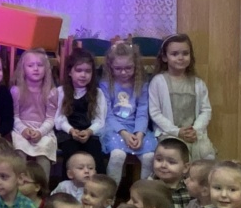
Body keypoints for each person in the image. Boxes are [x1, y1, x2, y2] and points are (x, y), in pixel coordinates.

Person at [148, 33, 216, 160]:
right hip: (169, 133)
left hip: (193, 133)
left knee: (207, 153)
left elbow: (205, 110)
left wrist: (195, 130)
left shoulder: (198, 83)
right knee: (177, 154)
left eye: (185, 53)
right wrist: (177, 132)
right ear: (165, 57)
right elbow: (155, 113)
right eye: (174, 54)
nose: (180, 58)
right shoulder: (158, 82)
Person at [101, 41, 156, 183]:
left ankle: (144, 192)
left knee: (149, 157)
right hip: (114, 129)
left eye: (128, 68)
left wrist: (139, 134)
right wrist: (124, 133)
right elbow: (107, 115)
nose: (123, 72)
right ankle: (110, 193)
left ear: (135, 66)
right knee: (117, 155)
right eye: (118, 68)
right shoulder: (105, 85)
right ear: (110, 67)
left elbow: (142, 113)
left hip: (136, 128)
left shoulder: (141, 85)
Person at [54, 47, 108, 179]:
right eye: (79, 70)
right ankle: (69, 185)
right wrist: (71, 130)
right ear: (70, 72)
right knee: (71, 152)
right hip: (68, 134)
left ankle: (97, 185)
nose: (83, 75)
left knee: (94, 151)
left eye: (88, 71)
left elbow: (100, 120)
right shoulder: (61, 91)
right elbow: (59, 118)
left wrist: (89, 131)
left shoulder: (98, 93)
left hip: (90, 133)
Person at [10, 48, 58, 177]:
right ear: (23, 69)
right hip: (21, 128)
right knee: (19, 148)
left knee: (44, 149)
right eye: (30, 65)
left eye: (40, 65)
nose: (35, 69)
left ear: (46, 69)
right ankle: (18, 183)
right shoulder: (16, 91)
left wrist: (40, 132)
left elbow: (51, 118)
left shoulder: (51, 92)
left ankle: (43, 185)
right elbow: (14, 116)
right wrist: (23, 130)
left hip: (43, 129)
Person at [151, 137, 191, 208]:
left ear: (185, 167)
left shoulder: (190, 189)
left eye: (171, 162)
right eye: (159, 159)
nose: (163, 165)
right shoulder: (147, 187)